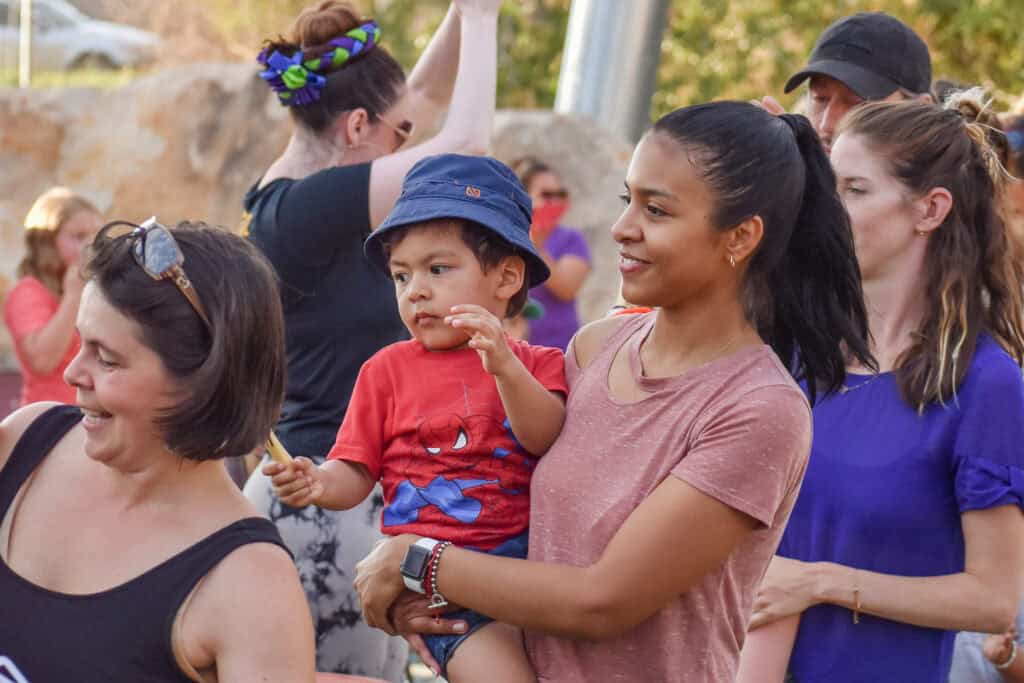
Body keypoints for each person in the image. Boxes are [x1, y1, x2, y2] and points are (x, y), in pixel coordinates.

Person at [349, 101, 874, 682]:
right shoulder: (595, 349)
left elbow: (601, 602)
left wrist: (417, 561)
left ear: (741, 236)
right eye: (628, 201)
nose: (623, 227)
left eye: (656, 209)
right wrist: (440, 615)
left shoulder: (757, 409)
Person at [239, 1, 501, 677]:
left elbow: (426, 96)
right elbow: (467, 145)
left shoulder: (297, 197)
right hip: (321, 504)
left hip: (346, 500)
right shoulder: (306, 208)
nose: (407, 150)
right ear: (357, 126)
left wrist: (460, 12)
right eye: (400, 136)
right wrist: (483, 17)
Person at [742, 93, 1024, 683]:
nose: (829, 207)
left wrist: (822, 584)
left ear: (930, 209)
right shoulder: (798, 349)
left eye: (855, 189)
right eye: (830, 186)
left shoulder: (985, 383)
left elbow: (994, 597)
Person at [266, 154, 567, 682]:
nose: (416, 291)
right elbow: (355, 473)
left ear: (506, 277)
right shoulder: (386, 371)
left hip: (530, 580)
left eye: (437, 269)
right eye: (401, 276)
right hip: (444, 594)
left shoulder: (539, 365)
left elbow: (545, 437)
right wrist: (317, 481)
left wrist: (503, 368)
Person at [0, 220, 315, 681]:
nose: (72, 373)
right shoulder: (26, 442)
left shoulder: (249, 584)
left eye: (106, 358)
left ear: (202, 382)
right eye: (80, 344)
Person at [758, 12, 932, 154]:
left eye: (857, 105)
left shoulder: (949, 191)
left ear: (921, 112)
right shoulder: (785, 177)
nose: (826, 124)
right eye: (820, 99)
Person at [3, 187, 102, 406]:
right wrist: (73, 293)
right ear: (46, 244)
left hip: (89, 415)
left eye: (96, 234)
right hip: (50, 417)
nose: (91, 245)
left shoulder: (94, 288)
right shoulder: (27, 291)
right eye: (78, 236)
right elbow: (42, 361)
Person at [512, 158, 592, 350]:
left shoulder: (572, 239)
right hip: (514, 352)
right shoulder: (506, 237)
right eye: (546, 194)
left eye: (560, 194)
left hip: (560, 351)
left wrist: (536, 246)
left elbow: (566, 288)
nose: (555, 201)